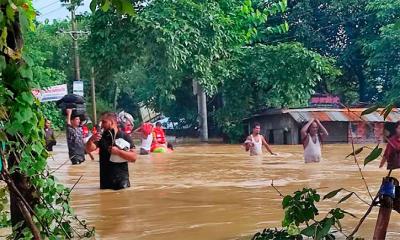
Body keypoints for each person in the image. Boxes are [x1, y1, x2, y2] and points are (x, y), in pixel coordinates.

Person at [86, 112, 137, 190]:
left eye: (104, 122)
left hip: (122, 181)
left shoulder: (125, 136)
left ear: (112, 122)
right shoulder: (101, 137)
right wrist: (91, 140)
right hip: (105, 182)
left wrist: (118, 152)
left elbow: (133, 157)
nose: (102, 125)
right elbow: (89, 149)